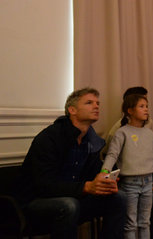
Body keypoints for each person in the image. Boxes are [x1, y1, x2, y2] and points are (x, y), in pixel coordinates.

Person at [15, 87, 126, 238]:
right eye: (89, 102)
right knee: (69, 205)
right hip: (36, 201)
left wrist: (105, 183)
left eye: (97, 103)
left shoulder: (91, 141)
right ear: (72, 110)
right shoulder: (50, 138)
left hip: (74, 198)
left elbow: (96, 173)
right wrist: (86, 187)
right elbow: (44, 185)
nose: (96, 106)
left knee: (119, 197)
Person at [105, 86, 153, 239]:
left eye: (147, 106)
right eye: (142, 106)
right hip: (130, 180)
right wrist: (104, 173)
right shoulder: (120, 131)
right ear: (129, 109)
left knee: (149, 219)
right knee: (132, 222)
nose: (146, 109)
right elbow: (112, 155)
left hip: (149, 177)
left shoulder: (148, 130)